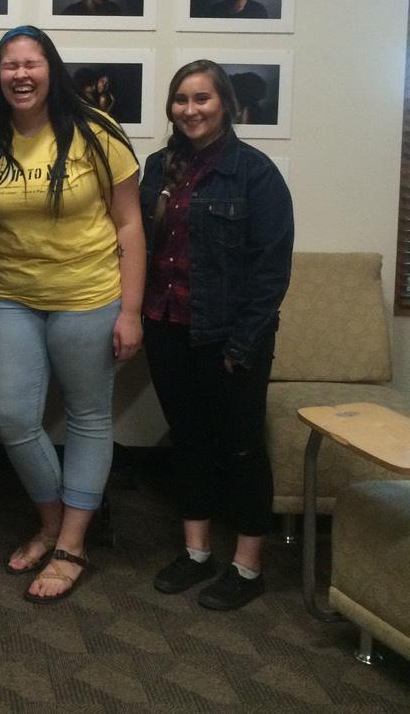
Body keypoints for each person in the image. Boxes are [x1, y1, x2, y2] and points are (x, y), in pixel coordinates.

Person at [0, 25, 145, 603]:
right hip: (12, 299)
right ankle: (51, 523)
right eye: (9, 65)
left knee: (90, 416)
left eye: (31, 63)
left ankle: (71, 542)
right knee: (14, 417)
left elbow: (130, 226)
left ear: (51, 69)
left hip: (90, 297)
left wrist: (133, 311)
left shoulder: (97, 132)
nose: (20, 74)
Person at [140, 60, 293, 611]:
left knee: (242, 447)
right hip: (165, 327)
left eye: (202, 98)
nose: (190, 109)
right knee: (189, 441)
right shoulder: (158, 168)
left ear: (224, 103)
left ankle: (248, 565)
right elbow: (142, 249)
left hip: (230, 338)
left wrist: (242, 345)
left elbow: (271, 270)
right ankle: (197, 553)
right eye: (181, 99)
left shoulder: (255, 173)